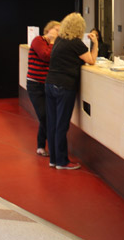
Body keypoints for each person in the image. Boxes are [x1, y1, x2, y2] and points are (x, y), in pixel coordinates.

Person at [46, 13, 98, 170]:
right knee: (62, 124)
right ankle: (62, 161)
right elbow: (91, 60)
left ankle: (53, 159)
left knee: (53, 123)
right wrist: (95, 44)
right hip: (65, 86)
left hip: (50, 84)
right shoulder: (76, 43)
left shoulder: (59, 40)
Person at [26, 20, 60, 157]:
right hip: (35, 85)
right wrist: (52, 42)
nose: (59, 33)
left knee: (48, 115)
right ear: (49, 29)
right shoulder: (38, 40)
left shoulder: (55, 44)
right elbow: (46, 56)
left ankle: (42, 146)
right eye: (57, 30)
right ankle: (42, 145)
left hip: (48, 84)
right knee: (44, 115)